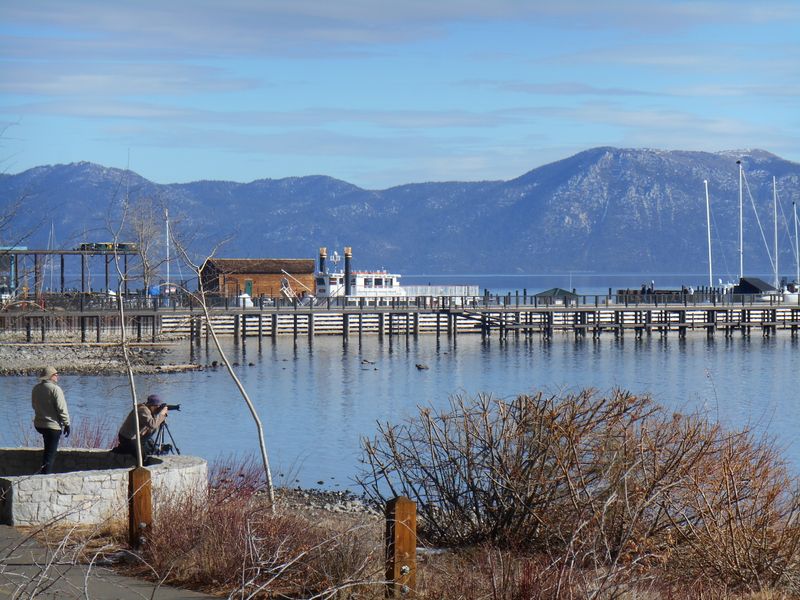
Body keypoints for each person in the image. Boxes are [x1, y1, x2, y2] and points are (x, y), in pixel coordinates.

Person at [31, 366, 70, 474]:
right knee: (50, 455)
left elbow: (34, 406)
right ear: (50, 376)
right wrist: (67, 424)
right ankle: (45, 477)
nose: (57, 376)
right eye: (55, 375)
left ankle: (43, 473)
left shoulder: (36, 388)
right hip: (52, 427)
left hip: (39, 425)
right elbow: (62, 409)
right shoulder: (56, 389)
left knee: (47, 450)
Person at [115, 394, 169, 458]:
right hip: (127, 438)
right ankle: (123, 449)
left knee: (150, 445)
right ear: (152, 405)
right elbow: (152, 424)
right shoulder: (143, 410)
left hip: (134, 437)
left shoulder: (148, 409)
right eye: (157, 406)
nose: (158, 408)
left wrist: (158, 413)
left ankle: (133, 447)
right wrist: (162, 414)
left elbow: (153, 426)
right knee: (143, 456)